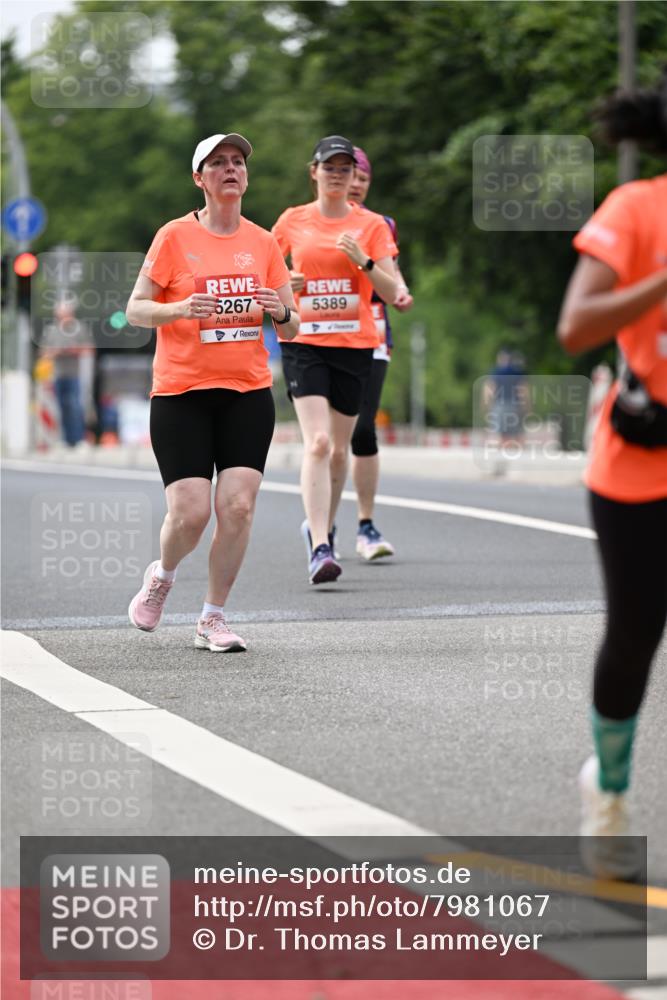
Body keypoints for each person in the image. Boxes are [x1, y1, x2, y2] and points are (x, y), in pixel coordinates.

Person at [126, 132, 299, 651]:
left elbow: (292, 327)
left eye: (238, 162)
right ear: (199, 179)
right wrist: (179, 309)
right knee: (191, 512)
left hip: (246, 390)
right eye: (218, 163)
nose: (231, 169)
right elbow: (136, 309)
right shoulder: (174, 237)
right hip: (182, 392)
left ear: (246, 177)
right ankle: (162, 575)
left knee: (239, 507)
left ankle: (212, 617)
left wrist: (280, 311)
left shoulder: (264, 242)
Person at [557, 76, 667, 879]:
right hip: (641, 463)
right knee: (636, 633)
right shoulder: (635, 209)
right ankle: (611, 792)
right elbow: (575, 328)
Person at [272, 136, 398, 584]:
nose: (338, 175)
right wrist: (287, 280)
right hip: (304, 342)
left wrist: (363, 261)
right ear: (314, 172)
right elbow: (263, 276)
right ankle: (321, 543)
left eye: (345, 168)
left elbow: (393, 293)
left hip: (354, 345)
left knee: (342, 449)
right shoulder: (292, 220)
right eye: (330, 167)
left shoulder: (372, 226)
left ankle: (321, 523)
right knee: (319, 443)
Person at [345, 146, 414, 560]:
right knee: (328, 441)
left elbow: (393, 273)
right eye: (349, 175)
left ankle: (366, 526)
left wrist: (400, 290)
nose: (356, 184)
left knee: (363, 428)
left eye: (363, 179)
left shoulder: (380, 225)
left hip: (371, 336)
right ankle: (321, 528)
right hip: (322, 339)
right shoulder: (307, 222)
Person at [40, 297, 94, 447]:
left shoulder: (80, 329)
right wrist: (55, 352)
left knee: (76, 406)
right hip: (57, 374)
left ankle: (78, 439)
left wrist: (73, 350)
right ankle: (64, 440)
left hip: (75, 374)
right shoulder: (51, 330)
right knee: (60, 407)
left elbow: (89, 349)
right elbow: (44, 352)